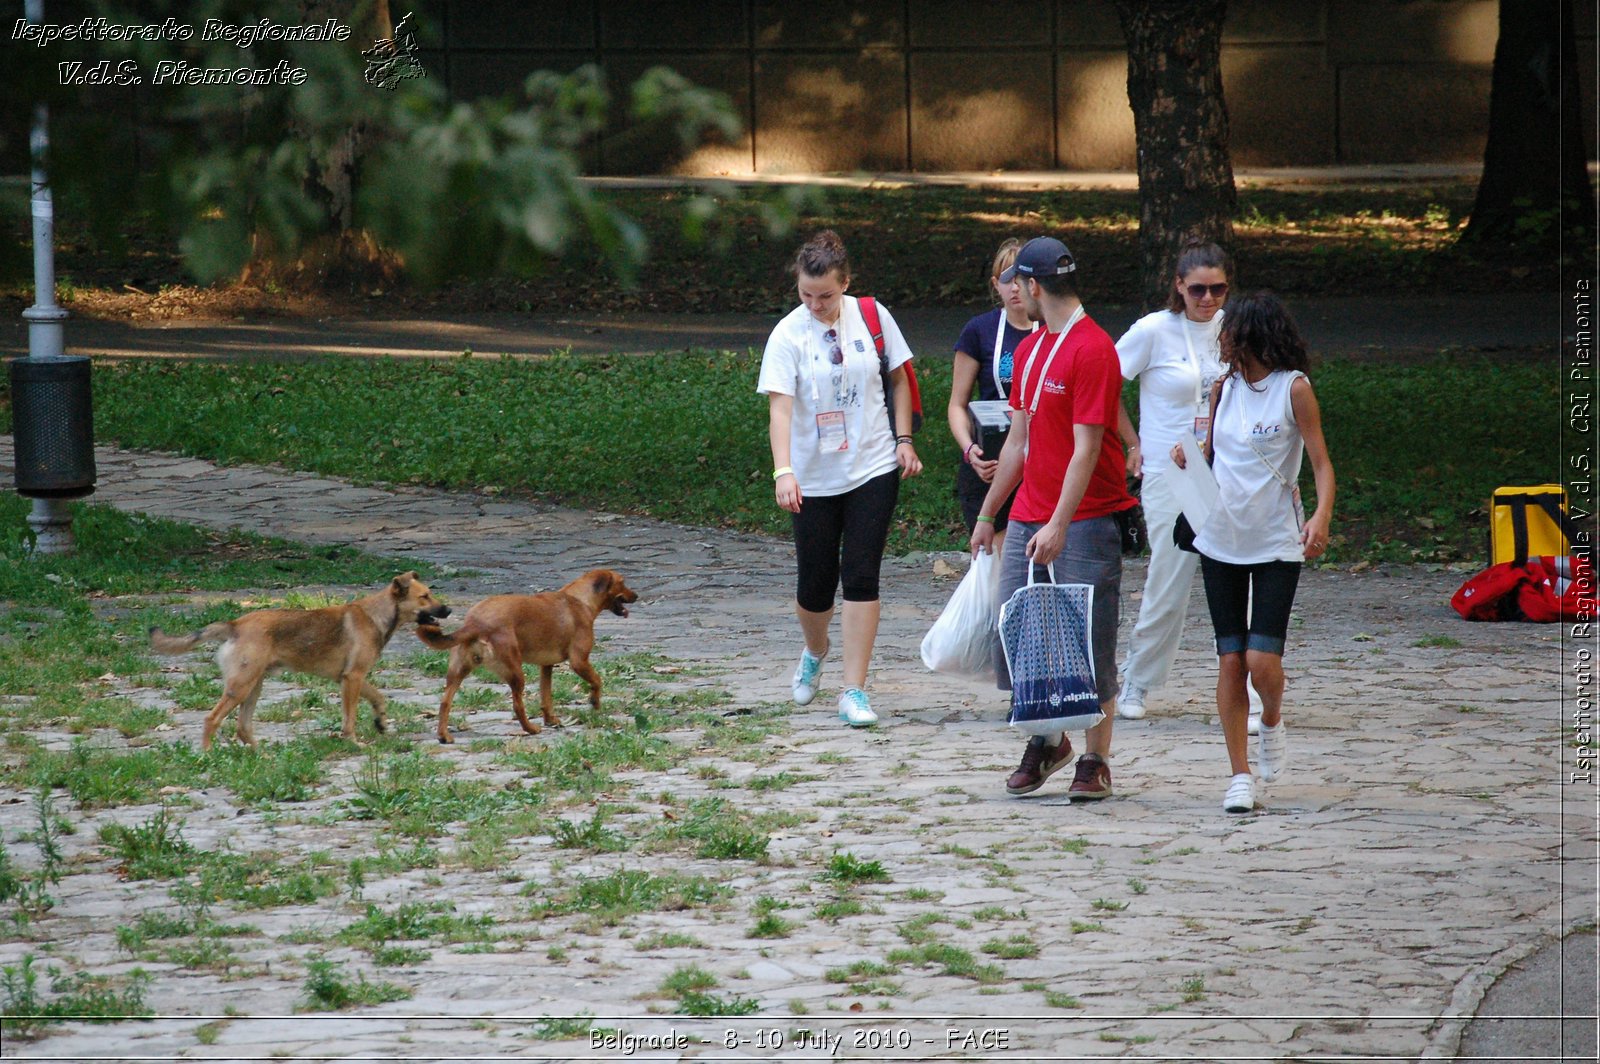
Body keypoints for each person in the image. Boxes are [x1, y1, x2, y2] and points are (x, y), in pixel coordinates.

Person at [970, 237, 1138, 799]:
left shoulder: (1093, 348)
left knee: (1091, 640)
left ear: (1036, 286)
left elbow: (1088, 448)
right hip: (1027, 514)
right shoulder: (1033, 348)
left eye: (1019, 282)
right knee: (1022, 635)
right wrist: (990, 513)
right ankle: (1048, 740)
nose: (1013, 290)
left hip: (1085, 516)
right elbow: (1019, 439)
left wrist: (1061, 523)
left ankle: (1095, 759)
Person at [1171, 291, 1335, 814]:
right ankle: (1239, 775)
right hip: (1220, 537)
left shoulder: (1294, 389)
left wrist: (1320, 516)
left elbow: (1321, 464)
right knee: (1230, 658)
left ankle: (1271, 718)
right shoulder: (1223, 388)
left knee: (1263, 660)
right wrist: (1188, 458)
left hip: (1274, 542)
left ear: (1250, 334)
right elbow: (1213, 455)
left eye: (1227, 329)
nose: (1219, 338)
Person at [757, 230, 923, 728]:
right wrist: (783, 470)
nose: (815, 304)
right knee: (815, 586)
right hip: (812, 476)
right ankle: (815, 648)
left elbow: (898, 376)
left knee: (862, 574)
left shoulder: (872, 316)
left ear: (845, 283)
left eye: (826, 295)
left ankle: (854, 690)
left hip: (872, 465)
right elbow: (780, 410)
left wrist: (904, 439)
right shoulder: (788, 333)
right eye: (806, 295)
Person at [1114, 241, 1264, 731]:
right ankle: (1138, 676)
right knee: (1170, 574)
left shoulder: (1236, 328)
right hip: (1168, 468)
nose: (1208, 298)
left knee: (1241, 572)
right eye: (1197, 288)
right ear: (1178, 285)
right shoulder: (1154, 330)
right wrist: (1131, 441)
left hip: (1229, 468)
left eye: (1218, 288)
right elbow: (1102, 383)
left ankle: (1252, 678)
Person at [946, 238, 1037, 553]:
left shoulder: (1053, 330)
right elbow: (957, 405)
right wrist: (970, 450)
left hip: (1039, 463)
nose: (1015, 289)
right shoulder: (979, 330)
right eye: (1007, 280)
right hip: (990, 461)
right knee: (995, 561)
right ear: (995, 284)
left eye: (1022, 280)